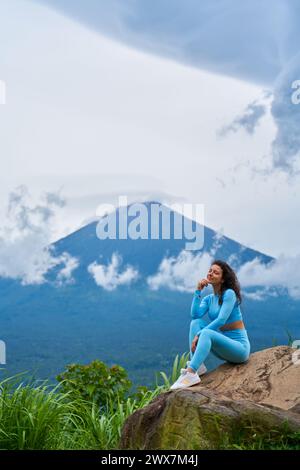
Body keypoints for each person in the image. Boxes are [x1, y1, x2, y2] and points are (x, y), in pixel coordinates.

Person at [170, 259, 251, 390]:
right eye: (210, 271)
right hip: (225, 347)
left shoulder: (229, 294)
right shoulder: (209, 299)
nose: (211, 274)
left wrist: (200, 334)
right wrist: (198, 291)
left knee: (205, 332)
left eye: (216, 273)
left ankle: (190, 373)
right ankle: (198, 365)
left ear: (223, 279)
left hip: (239, 349)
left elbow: (221, 320)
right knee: (195, 323)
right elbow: (195, 315)